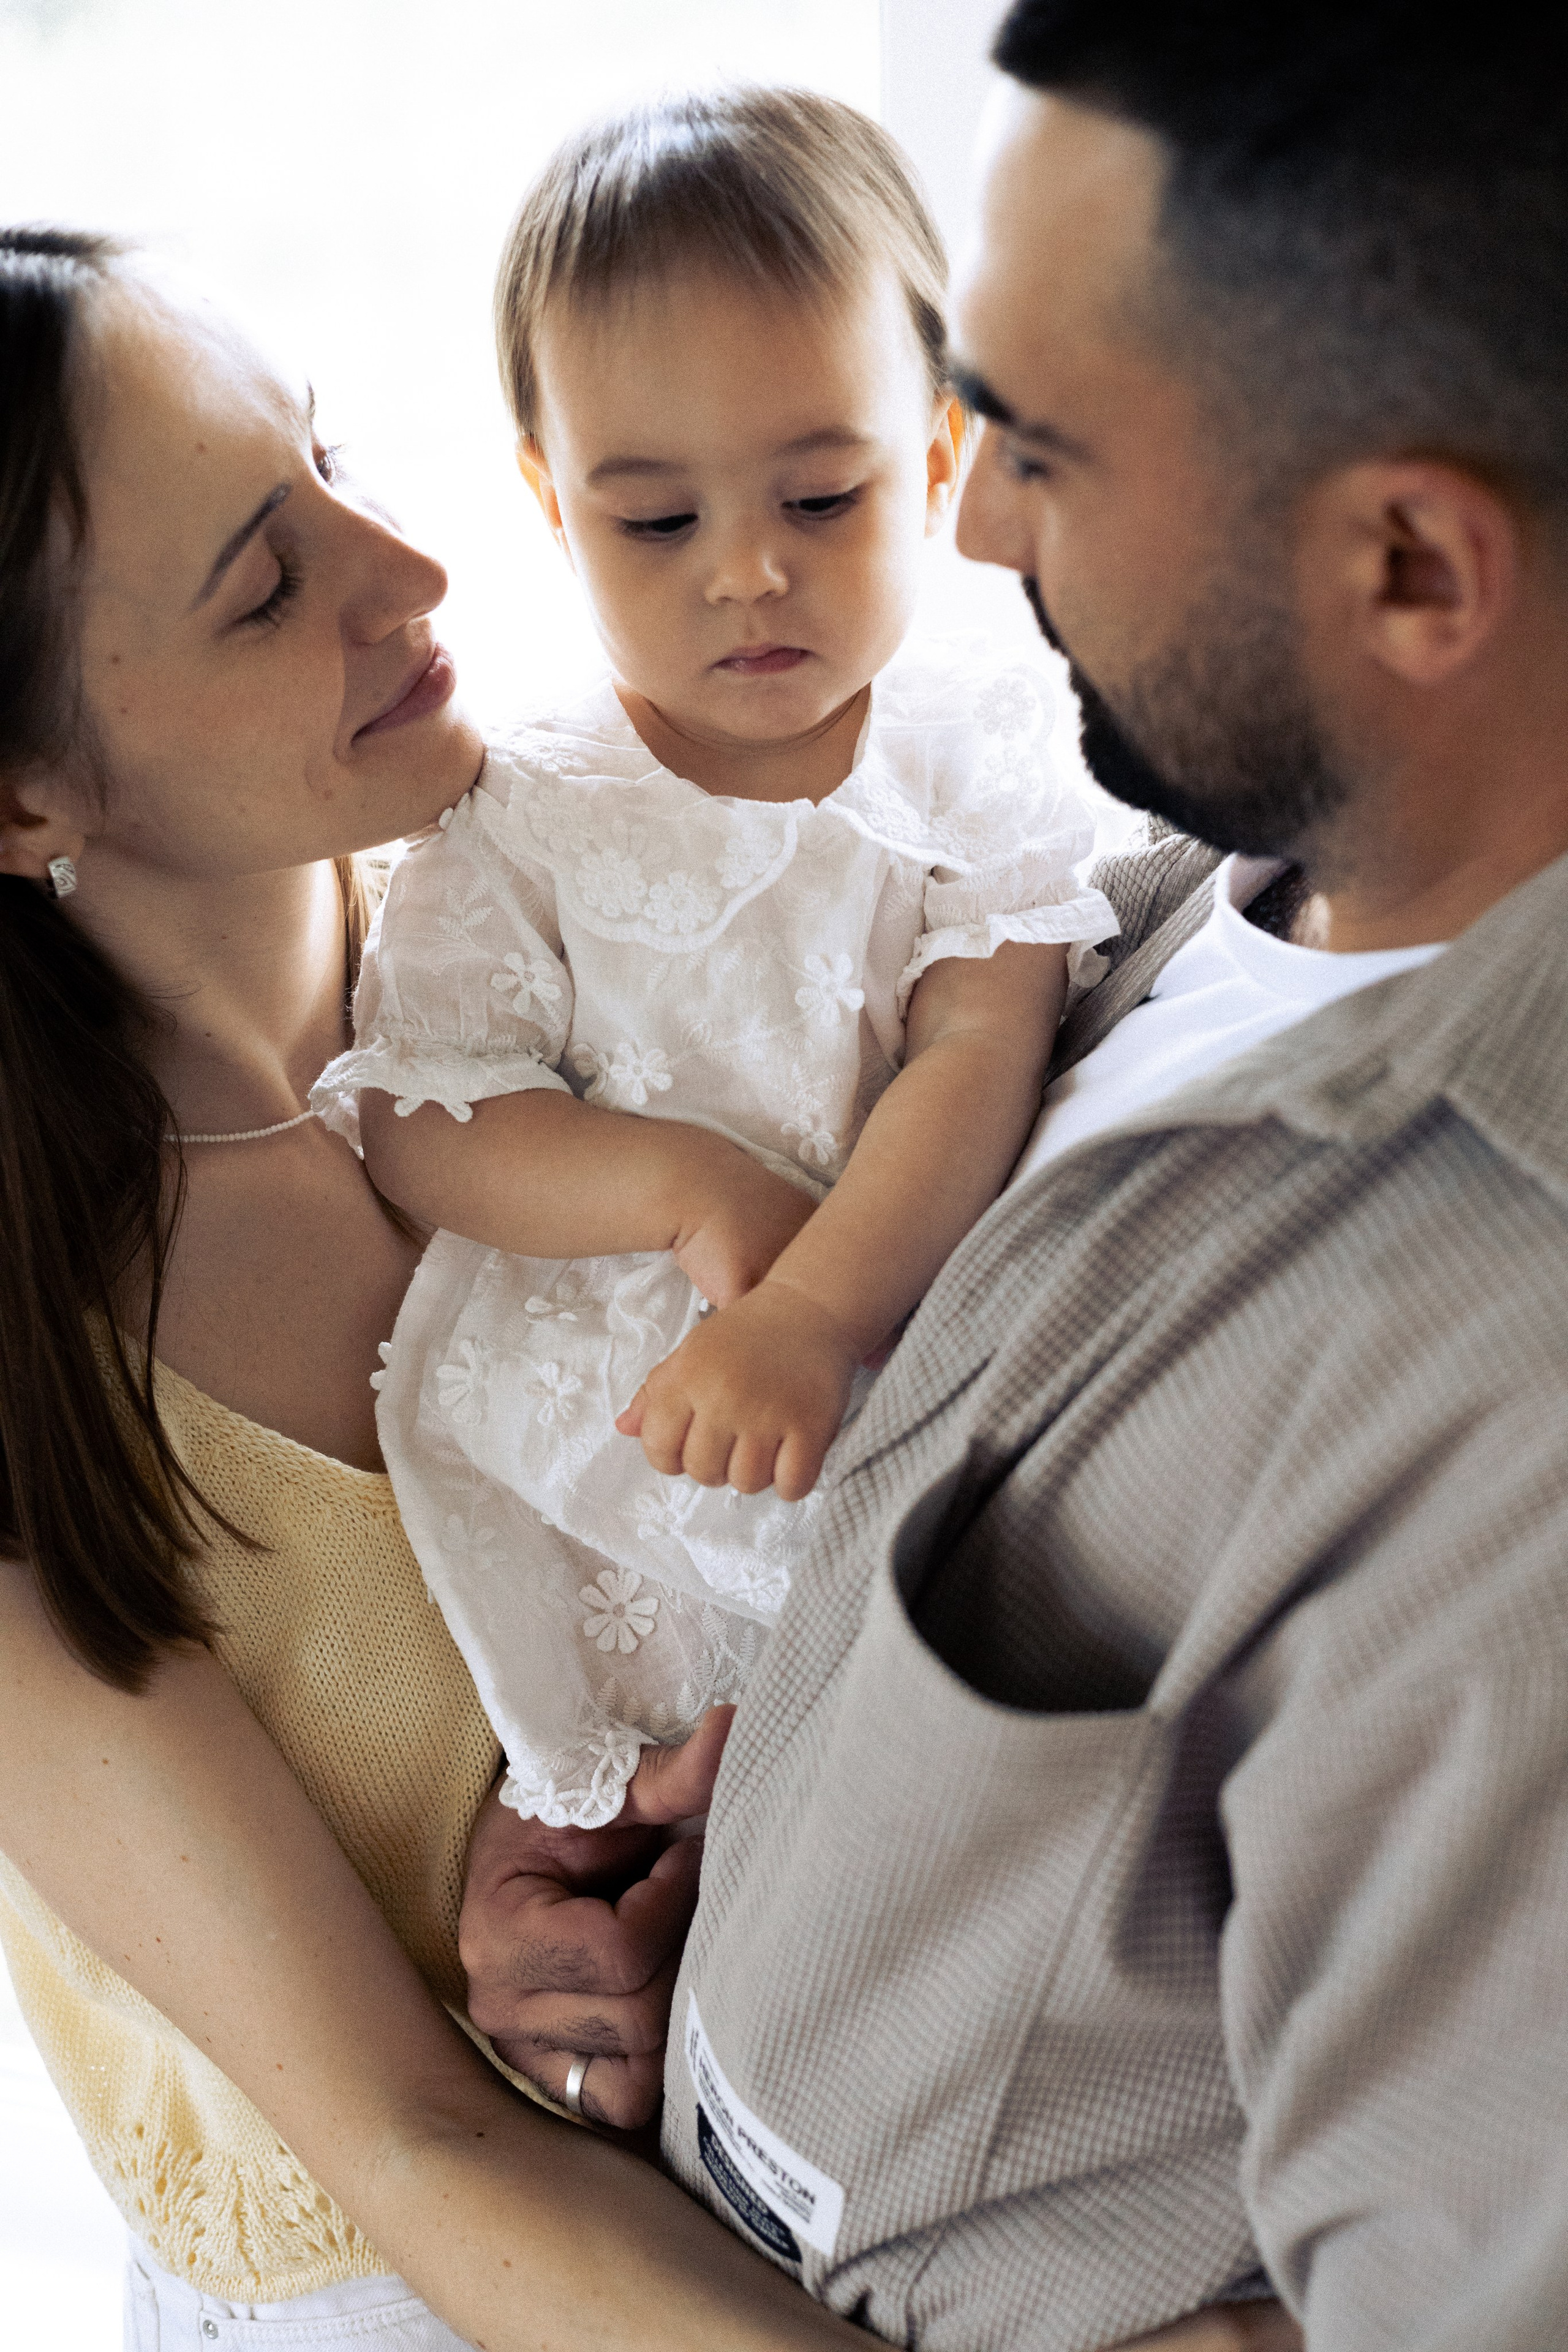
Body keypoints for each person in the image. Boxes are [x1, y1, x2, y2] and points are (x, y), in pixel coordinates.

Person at [582, 4, 1564, 2346]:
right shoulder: (1184, 893)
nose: (976, 518)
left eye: (1031, 442)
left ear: (1415, 570)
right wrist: (700, 1872)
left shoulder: (1514, 1388)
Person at [0, 223, 874, 2352]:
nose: (417, 570)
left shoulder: (571, 914)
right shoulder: (41, 1362)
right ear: (26, 795)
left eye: (332, 462)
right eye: (266, 583)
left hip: (766, 2138)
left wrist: (607, 1897)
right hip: (399, 2284)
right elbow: (413, 2146)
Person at [323, 91, 1115, 1841]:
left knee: (908, 1790)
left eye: (821, 497)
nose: (749, 573)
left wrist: (817, 1311)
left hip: (875, 1343)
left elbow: (978, 1052)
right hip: (607, 1423)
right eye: (656, 524)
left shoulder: (972, 758)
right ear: (552, 504)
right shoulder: (524, 799)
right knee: (667, 1798)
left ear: (935, 463)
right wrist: (686, 1188)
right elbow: (432, 1117)